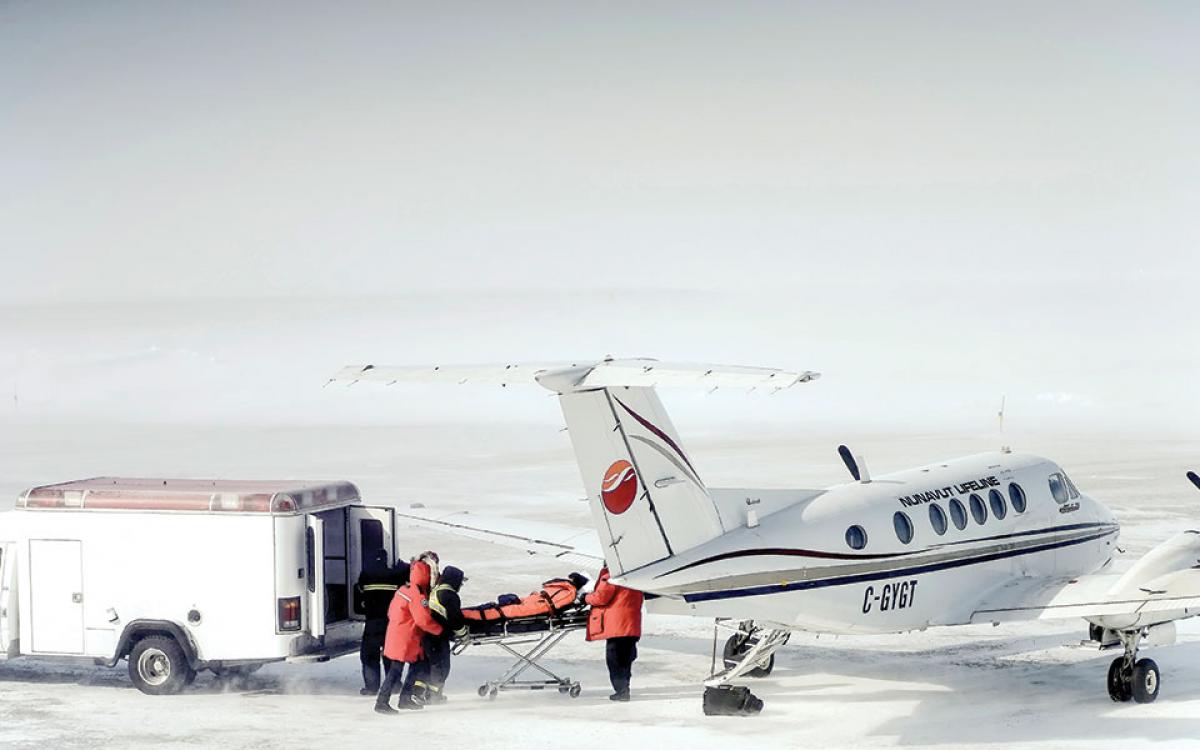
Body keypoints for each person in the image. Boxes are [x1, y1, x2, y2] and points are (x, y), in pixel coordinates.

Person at [375, 559, 442, 714]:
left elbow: (391, 612)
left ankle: (405, 698)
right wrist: (438, 630)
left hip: (397, 634)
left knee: (416, 664)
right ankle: (382, 701)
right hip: (407, 638)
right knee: (396, 670)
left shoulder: (403, 590)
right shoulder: (417, 594)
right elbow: (422, 619)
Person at [584, 564, 644, 701]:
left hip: (617, 625)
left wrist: (585, 598)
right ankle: (624, 690)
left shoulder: (612, 575)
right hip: (631, 624)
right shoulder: (637, 571)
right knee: (625, 660)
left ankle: (621, 691)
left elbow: (601, 597)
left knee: (614, 660)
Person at [354, 551, 407, 695]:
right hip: (391, 623)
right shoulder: (395, 575)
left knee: (369, 655)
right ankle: (394, 685)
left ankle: (371, 688)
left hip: (372, 622)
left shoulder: (365, 575)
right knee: (391, 654)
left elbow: (357, 605)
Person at [414, 565, 468, 704]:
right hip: (438, 636)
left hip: (427, 635)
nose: (460, 585)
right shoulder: (450, 595)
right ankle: (434, 696)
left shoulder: (436, 590)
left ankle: (418, 693)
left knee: (426, 664)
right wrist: (463, 635)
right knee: (441, 666)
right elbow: (456, 619)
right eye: (460, 582)